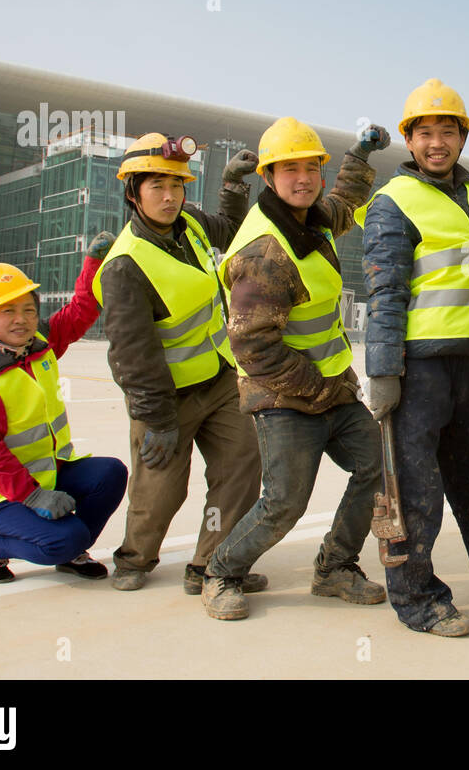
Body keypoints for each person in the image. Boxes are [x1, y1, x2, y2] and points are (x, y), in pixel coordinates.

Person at [357, 79, 469, 638]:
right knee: (415, 487)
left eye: (447, 131)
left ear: (461, 137)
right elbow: (385, 293)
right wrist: (383, 372)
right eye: (425, 133)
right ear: (408, 140)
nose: (437, 143)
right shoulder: (392, 202)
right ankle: (415, 597)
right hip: (417, 367)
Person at [200, 117, 389, 620]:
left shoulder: (309, 218)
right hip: (284, 397)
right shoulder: (265, 250)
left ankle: (334, 567)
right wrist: (317, 388)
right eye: (290, 170)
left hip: (331, 389)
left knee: (376, 468)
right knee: (284, 503)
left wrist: (360, 156)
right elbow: (255, 348)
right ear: (268, 177)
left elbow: (345, 205)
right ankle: (220, 571)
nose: (303, 178)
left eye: (311, 168)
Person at [94, 132, 267, 594]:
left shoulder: (189, 224)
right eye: (157, 187)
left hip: (218, 378)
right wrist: (157, 419)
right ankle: (135, 559)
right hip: (165, 397)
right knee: (161, 489)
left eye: (177, 186)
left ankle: (213, 563)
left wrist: (232, 184)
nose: (171, 197)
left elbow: (228, 231)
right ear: (133, 193)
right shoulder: (124, 267)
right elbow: (132, 355)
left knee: (241, 465)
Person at [0, 243, 127, 583]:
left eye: (28, 309)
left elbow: (79, 312)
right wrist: (33, 496)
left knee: (109, 474)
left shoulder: (36, 344)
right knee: (65, 539)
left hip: (44, 474)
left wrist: (94, 263)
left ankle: (72, 549)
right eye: (7, 311)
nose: (21, 320)